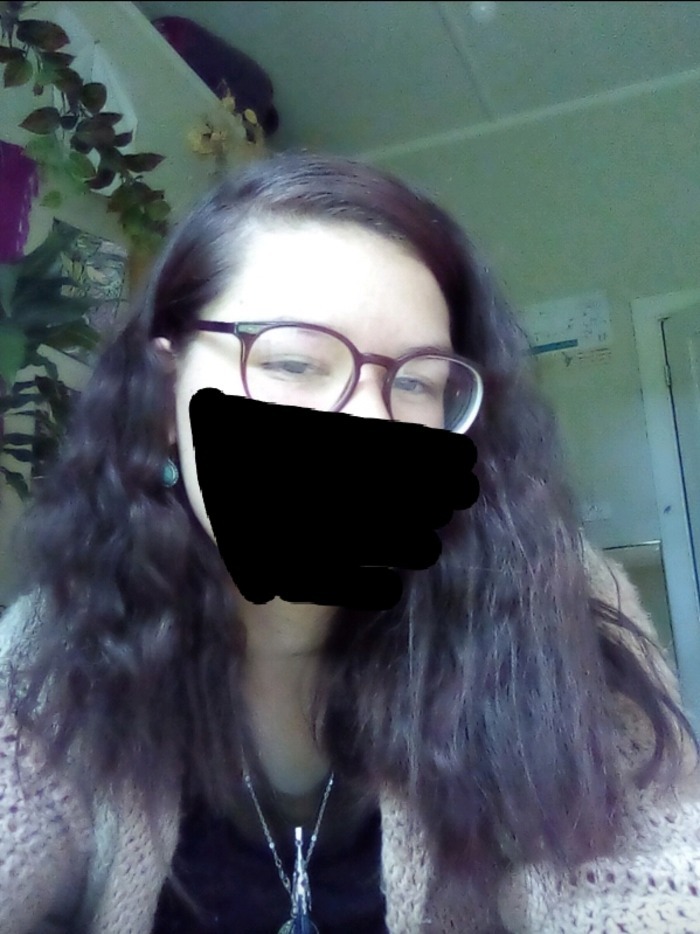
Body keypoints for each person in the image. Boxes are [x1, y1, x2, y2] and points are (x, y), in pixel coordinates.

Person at [0, 152, 699, 934]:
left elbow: (646, 880)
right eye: (295, 361)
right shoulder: (53, 650)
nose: (371, 421)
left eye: (416, 381)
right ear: (165, 400)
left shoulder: (547, 598)